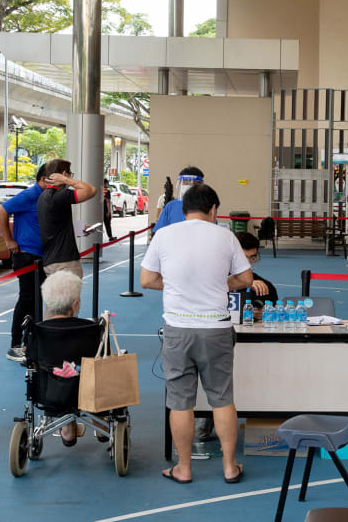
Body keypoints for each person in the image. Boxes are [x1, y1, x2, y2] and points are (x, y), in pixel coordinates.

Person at [140, 183, 252, 484]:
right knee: (222, 399)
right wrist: (219, 284)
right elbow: (245, 277)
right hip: (216, 328)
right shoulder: (226, 236)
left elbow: (147, 279)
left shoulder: (164, 235)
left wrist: (177, 285)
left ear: (183, 208)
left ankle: (184, 468)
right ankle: (230, 467)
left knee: (180, 401)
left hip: (178, 329)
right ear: (213, 210)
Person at [0, 163, 49, 362]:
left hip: (40, 255)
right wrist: (9, 240)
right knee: (27, 297)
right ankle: (16, 344)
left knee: (36, 298)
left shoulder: (45, 197)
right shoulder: (30, 194)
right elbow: (1, 209)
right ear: (43, 179)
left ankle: (32, 341)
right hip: (26, 254)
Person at [40, 270, 86, 446]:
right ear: (75, 304)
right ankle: (100, 420)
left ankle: (66, 426)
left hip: (50, 392)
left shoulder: (38, 331)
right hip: (85, 392)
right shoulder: (90, 329)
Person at [37, 158, 97, 278]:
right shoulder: (59, 195)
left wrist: (79, 228)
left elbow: (55, 224)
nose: (70, 177)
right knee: (71, 297)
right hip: (64, 262)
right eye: (70, 174)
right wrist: (66, 180)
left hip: (51, 260)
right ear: (64, 173)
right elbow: (91, 190)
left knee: (58, 297)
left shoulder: (43, 196)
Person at [234, 231, 279, 308]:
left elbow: (274, 316)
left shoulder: (266, 288)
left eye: (252, 258)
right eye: (243, 258)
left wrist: (264, 315)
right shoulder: (215, 284)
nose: (247, 263)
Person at [152, 167, 203, 233]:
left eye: (195, 183)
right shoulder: (171, 206)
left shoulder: (206, 207)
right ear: (180, 184)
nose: (190, 185)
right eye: (186, 183)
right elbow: (158, 232)